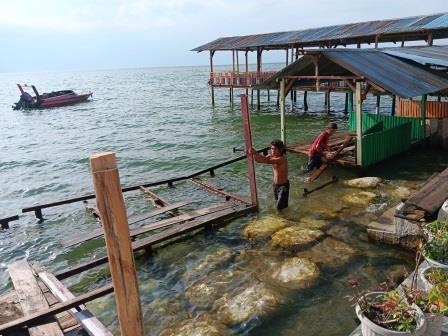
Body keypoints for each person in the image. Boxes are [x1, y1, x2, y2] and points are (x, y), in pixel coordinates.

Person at [249, 139, 289, 210]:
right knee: (280, 206)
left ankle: (285, 219)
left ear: (281, 149)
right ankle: (282, 218)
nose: (273, 150)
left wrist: (255, 152)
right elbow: (259, 160)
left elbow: (266, 161)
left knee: (279, 207)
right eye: (272, 148)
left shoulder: (282, 159)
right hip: (275, 185)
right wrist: (253, 154)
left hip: (283, 186)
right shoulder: (271, 156)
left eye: (275, 149)